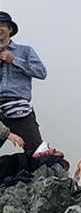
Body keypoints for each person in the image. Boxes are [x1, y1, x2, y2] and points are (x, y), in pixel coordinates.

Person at [0, 11, 49, 157]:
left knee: (38, 152)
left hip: (19, 108)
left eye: (2, 25)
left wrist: (14, 60)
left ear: (10, 29)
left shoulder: (25, 51)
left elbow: (41, 72)